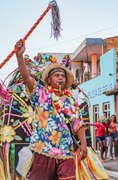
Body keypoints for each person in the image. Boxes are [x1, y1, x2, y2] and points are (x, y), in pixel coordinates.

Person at [15, 39, 87, 180]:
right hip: (43, 150)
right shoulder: (41, 94)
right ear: (48, 80)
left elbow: (78, 123)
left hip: (66, 152)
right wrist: (19, 56)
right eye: (56, 75)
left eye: (63, 76)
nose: (60, 78)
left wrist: (83, 145)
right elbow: (27, 78)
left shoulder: (71, 99)